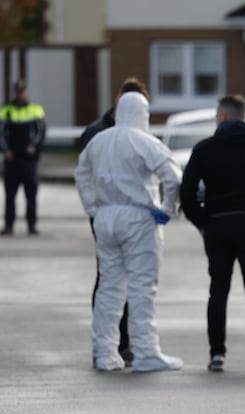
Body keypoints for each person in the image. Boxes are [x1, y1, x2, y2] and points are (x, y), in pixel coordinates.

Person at [74, 92, 183, 372]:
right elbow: (172, 177)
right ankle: (146, 352)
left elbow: (81, 173)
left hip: (106, 215)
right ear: (142, 114)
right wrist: (168, 209)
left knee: (109, 287)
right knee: (141, 287)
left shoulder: (99, 141)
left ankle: (104, 352)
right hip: (138, 217)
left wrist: (92, 207)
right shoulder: (145, 142)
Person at [180, 95, 245, 373]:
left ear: (224, 116)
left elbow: (187, 192)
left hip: (216, 226)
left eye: (217, 114)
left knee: (218, 291)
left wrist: (201, 221)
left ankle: (217, 354)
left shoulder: (205, 148)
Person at [79, 77, 149, 368]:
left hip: (131, 217)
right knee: (108, 280)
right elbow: (85, 174)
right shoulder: (97, 134)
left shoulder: (135, 133)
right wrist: (94, 211)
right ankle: (106, 343)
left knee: (130, 278)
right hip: (108, 216)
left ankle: (125, 341)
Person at [0, 79, 46, 236]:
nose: (21, 94)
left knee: (31, 194)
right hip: (12, 160)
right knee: (10, 194)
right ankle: (8, 225)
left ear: (26, 92)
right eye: (18, 92)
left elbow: (41, 132)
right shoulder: (6, 110)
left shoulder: (35, 110)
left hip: (29, 160)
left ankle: (32, 225)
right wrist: (5, 151)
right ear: (15, 93)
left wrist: (34, 147)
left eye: (23, 91)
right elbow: (0, 133)